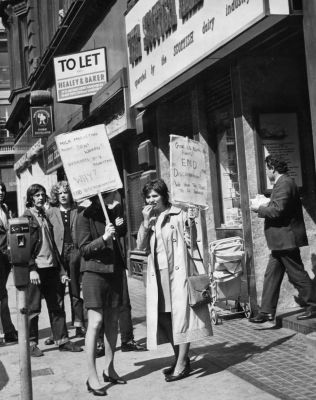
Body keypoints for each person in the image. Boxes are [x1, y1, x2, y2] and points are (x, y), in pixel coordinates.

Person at [137, 178, 212, 382]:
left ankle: (181, 363)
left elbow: (192, 240)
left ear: (164, 195)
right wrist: (145, 223)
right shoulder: (149, 216)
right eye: (148, 196)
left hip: (177, 274)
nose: (152, 200)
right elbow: (140, 247)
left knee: (181, 317)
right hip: (157, 274)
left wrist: (191, 222)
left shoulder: (179, 213)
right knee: (165, 318)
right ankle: (181, 357)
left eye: (155, 195)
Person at [250, 155, 316, 323]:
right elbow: (279, 205)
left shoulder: (284, 183)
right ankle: (266, 312)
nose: (266, 172)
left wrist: (259, 208)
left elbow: (277, 210)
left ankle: (313, 305)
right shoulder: (283, 183)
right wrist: (267, 202)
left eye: (266, 168)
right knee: (271, 275)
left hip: (285, 239)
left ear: (273, 168)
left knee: (297, 275)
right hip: (280, 241)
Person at [22, 184, 83, 357]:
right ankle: (31, 343)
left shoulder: (44, 216)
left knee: (56, 306)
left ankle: (62, 340)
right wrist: (31, 268)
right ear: (30, 198)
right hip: (36, 270)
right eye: (36, 195)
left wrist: (62, 271)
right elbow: (23, 247)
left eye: (42, 195)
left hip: (52, 268)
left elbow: (54, 246)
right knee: (33, 308)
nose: (40, 198)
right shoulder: (26, 218)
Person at [77, 191, 127, 396]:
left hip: (114, 272)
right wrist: (104, 237)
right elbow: (84, 249)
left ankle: (110, 368)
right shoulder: (84, 215)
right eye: (109, 194)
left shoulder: (112, 211)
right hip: (94, 273)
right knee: (96, 322)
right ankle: (92, 377)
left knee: (112, 322)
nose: (114, 196)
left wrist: (119, 223)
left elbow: (120, 235)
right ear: (99, 195)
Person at [45, 181, 85, 339]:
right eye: (60, 193)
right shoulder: (51, 212)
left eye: (65, 192)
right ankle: (59, 332)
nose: (63, 195)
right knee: (58, 294)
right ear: (56, 195)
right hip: (58, 255)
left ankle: (79, 325)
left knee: (75, 291)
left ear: (71, 194)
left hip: (75, 252)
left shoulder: (79, 210)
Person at [0, 182, 18, 344]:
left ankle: (8, 330)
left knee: (2, 294)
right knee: (2, 295)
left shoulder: (4, 208)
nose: (0, 193)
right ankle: (8, 331)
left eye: (2, 190)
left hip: (5, 256)